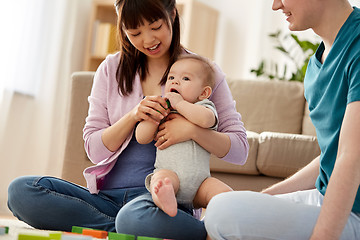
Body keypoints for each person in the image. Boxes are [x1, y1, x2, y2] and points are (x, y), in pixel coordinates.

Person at [7, 0, 249, 239]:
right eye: (135, 32)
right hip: (104, 200)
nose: (148, 40)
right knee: (22, 192)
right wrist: (133, 115)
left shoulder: (200, 72)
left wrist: (193, 131)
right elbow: (94, 148)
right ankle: (131, 229)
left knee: (136, 216)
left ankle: (145, 226)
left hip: (162, 201)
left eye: (155, 27)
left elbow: (239, 149)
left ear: (172, 14)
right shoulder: (110, 69)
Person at [204, 0, 360, 239]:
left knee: (222, 213)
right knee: (222, 208)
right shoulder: (315, 66)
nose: (276, 5)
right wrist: (266, 197)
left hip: (355, 212)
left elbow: (352, 157)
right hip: (326, 197)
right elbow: (333, 156)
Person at [136, 54, 233, 217]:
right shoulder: (164, 109)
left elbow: (206, 120)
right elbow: (141, 137)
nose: (174, 81)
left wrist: (180, 104)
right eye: (171, 77)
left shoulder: (203, 106)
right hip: (170, 175)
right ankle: (166, 200)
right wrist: (153, 118)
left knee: (225, 195)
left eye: (185, 78)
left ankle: (216, 220)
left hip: (201, 184)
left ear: (203, 93)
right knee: (160, 181)